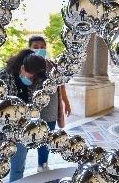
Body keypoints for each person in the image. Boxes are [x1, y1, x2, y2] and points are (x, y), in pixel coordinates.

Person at [0, 49, 47, 182]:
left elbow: (36, 104)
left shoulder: (36, 80)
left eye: (33, 76)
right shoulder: (3, 76)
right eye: (29, 74)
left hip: (21, 133)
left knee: (17, 169)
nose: (30, 78)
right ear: (22, 66)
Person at [28, 36, 71, 172]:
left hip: (51, 109)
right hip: (34, 110)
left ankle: (43, 164)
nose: (40, 49)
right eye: (36, 47)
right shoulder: (26, 65)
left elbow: (61, 86)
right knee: (35, 137)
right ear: (30, 48)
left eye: (42, 47)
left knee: (47, 138)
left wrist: (66, 103)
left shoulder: (52, 65)